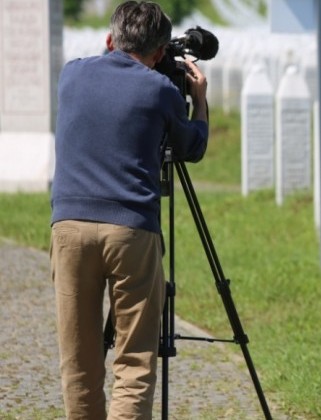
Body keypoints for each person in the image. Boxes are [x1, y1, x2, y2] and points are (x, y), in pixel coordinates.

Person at [50, 1, 208, 418]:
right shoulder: (159, 89)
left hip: (68, 226)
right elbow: (192, 146)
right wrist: (200, 100)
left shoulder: (71, 74)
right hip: (131, 228)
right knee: (134, 361)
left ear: (108, 39)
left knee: (79, 359)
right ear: (158, 56)